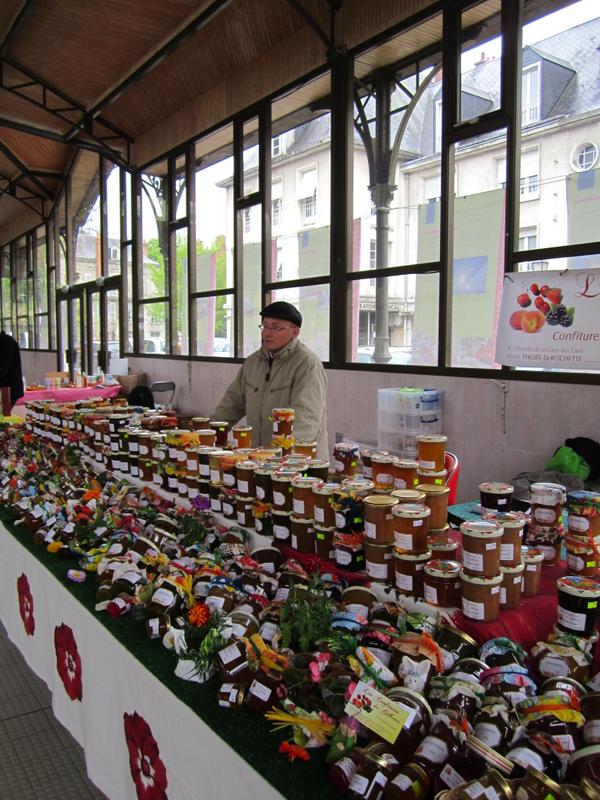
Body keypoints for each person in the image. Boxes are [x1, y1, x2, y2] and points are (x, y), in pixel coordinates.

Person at [212, 301, 328, 457]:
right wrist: (208, 433)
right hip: (260, 458)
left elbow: (305, 421)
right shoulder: (253, 361)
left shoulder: (306, 364)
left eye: (275, 327)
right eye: (264, 326)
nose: (267, 333)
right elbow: (232, 403)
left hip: (298, 462)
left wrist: (280, 456)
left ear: (294, 332)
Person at [0, 330, 24, 411]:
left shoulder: (6, 341)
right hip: (4, 387)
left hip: (9, 389)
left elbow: (3, 366)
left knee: (3, 416)